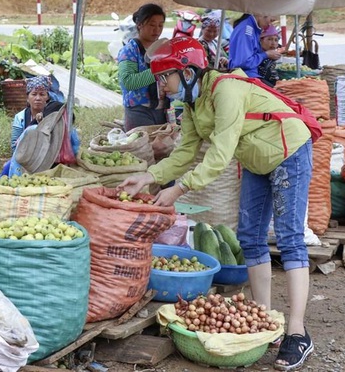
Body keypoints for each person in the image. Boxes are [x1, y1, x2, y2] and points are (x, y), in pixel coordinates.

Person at [118, 37, 315, 372]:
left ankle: (297, 332)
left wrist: (179, 190)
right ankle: (264, 322)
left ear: (189, 71)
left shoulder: (226, 90)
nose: (162, 85)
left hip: (288, 150)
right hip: (255, 158)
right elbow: (184, 152)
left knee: (289, 239)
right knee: (250, 238)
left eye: (166, 76)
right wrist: (148, 177)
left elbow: (220, 154)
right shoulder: (194, 104)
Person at [117, 3, 168, 130]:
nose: (157, 30)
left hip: (164, 111)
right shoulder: (129, 51)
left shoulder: (164, 49)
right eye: (152, 25)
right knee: (143, 148)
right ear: (139, 24)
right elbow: (128, 82)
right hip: (139, 112)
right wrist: (157, 71)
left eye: (160, 25)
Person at [228, 14, 282, 78]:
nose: (270, 25)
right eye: (271, 20)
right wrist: (266, 54)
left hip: (249, 75)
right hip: (246, 77)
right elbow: (244, 62)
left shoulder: (252, 28)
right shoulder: (247, 30)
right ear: (262, 14)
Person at [11, 76, 51, 152]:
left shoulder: (52, 115)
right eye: (34, 94)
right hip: (25, 156)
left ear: (47, 98)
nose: (38, 98)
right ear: (28, 98)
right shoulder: (20, 118)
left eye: (42, 94)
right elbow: (14, 147)